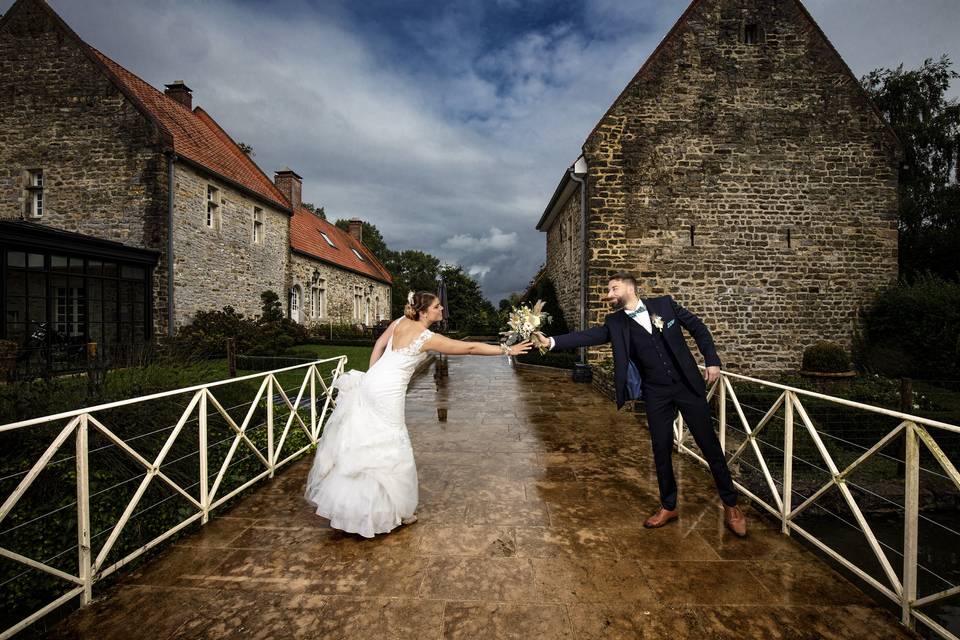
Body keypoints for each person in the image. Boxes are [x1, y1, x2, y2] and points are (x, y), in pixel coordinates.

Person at [532, 272, 747, 537]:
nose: (609, 295)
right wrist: (551, 341)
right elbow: (588, 336)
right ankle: (669, 506)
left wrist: (712, 360)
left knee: (709, 445)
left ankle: (731, 505)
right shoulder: (615, 322)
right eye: (608, 290)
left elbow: (698, 328)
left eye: (613, 289)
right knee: (660, 448)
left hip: (687, 386)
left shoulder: (665, 305)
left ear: (630, 288)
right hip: (655, 393)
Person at [305, 291, 532, 538]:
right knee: (390, 444)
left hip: (370, 383)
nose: (442, 309)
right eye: (437, 306)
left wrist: (372, 375)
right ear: (424, 312)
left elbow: (380, 344)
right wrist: (506, 350)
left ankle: (356, 508)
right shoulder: (426, 337)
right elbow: (469, 347)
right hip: (388, 392)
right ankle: (390, 512)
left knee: (365, 441)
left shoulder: (400, 322)